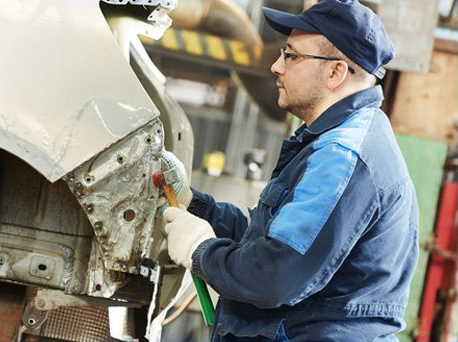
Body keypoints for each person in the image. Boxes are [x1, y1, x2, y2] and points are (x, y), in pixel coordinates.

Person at [160, 0, 419, 340]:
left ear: (335, 72)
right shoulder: (334, 139)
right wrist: (195, 204)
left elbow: (273, 276)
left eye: (292, 55)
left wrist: (201, 251)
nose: (276, 67)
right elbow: (268, 242)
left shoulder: (343, 156)